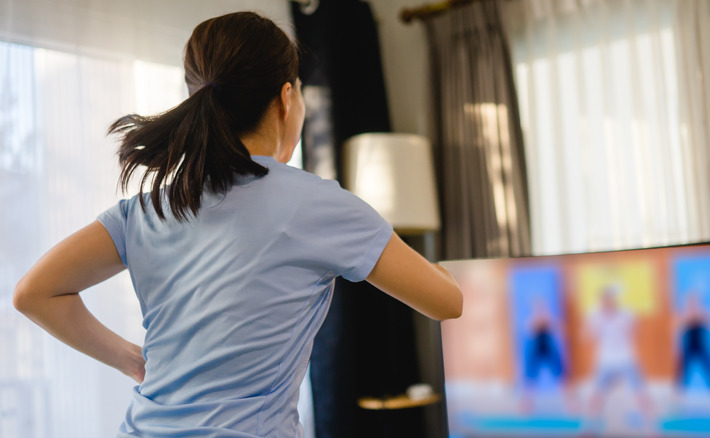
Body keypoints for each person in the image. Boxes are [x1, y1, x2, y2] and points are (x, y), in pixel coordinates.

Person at [12, 11, 462, 438]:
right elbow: (447, 302)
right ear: (286, 99)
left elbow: (35, 293)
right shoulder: (319, 204)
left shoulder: (149, 208)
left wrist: (133, 360)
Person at [584, 286, 653, 435]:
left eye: (609, 300)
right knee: (596, 394)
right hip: (604, 361)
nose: (606, 303)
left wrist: (620, 324)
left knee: (640, 393)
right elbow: (589, 336)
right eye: (603, 300)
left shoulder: (626, 314)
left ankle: (651, 429)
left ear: (614, 300)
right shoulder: (595, 315)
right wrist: (598, 322)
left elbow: (636, 331)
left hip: (626, 359)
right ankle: (589, 428)